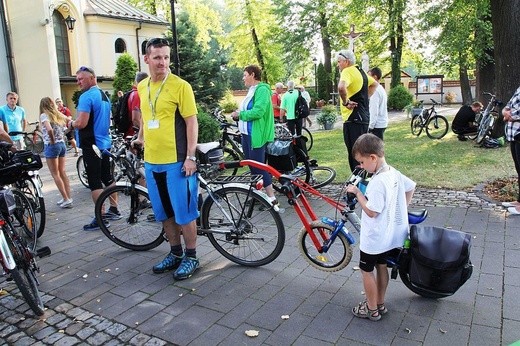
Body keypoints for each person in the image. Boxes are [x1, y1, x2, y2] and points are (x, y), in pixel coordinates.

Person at [132, 38, 200, 280]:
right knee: (163, 212)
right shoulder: (142, 87)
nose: (162, 62)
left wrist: (190, 157)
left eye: (166, 57)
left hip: (177, 161)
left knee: (184, 213)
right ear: (147, 59)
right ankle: (175, 253)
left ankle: (191, 256)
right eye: (157, 57)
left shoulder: (180, 86)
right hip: (152, 162)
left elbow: (192, 122)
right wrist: (140, 137)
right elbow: (146, 116)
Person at [345, 133, 415, 321]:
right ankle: (380, 303)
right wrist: (401, 207)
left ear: (373, 158)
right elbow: (411, 187)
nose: (360, 166)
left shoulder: (377, 182)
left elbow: (371, 211)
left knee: (366, 270)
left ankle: (371, 308)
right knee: (381, 265)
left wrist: (358, 192)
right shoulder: (393, 172)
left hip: (374, 238)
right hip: (389, 236)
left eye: (361, 162)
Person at [66, 66, 119, 230]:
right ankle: (114, 209)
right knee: (108, 178)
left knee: (95, 182)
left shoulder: (86, 96)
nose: (78, 82)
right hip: (105, 143)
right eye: (77, 79)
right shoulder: (104, 95)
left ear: (92, 78)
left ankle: (101, 217)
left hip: (92, 144)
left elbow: (81, 123)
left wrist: (71, 124)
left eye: (81, 79)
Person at [230, 65, 278, 209]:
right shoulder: (251, 90)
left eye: (245, 75)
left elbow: (258, 112)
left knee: (258, 166)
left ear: (252, 74)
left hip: (255, 134)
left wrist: (240, 115)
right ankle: (259, 195)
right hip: (246, 134)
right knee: (252, 166)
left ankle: (272, 199)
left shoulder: (262, 89)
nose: (243, 78)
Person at [337, 49, 378, 172]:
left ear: (346, 61)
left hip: (353, 118)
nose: (338, 64)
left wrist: (345, 102)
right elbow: (375, 84)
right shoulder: (362, 72)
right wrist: (365, 98)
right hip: (363, 117)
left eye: (339, 62)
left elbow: (341, 87)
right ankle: (364, 183)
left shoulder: (347, 71)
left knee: (355, 154)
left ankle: (357, 186)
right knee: (363, 152)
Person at [39, 97, 73, 208]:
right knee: (62, 172)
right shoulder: (57, 114)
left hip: (52, 146)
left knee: (55, 174)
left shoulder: (44, 115)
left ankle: (65, 198)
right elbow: (69, 121)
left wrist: (52, 140)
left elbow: (49, 129)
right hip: (62, 144)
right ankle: (68, 197)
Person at [501, 86, 520, 215]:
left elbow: (514, 112)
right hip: (513, 135)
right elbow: (507, 105)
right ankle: (519, 201)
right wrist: (505, 112)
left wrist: (509, 115)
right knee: (519, 169)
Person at [124, 71, 148, 137]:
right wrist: (143, 135)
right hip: (134, 134)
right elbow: (135, 119)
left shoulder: (132, 93)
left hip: (131, 133)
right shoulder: (137, 94)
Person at [367, 67, 388, 140]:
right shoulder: (381, 89)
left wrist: (370, 127)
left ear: (375, 77)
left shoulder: (375, 91)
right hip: (382, 123)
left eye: (369, 77)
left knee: (374, 149)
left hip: (376, 125)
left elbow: (374, 110)